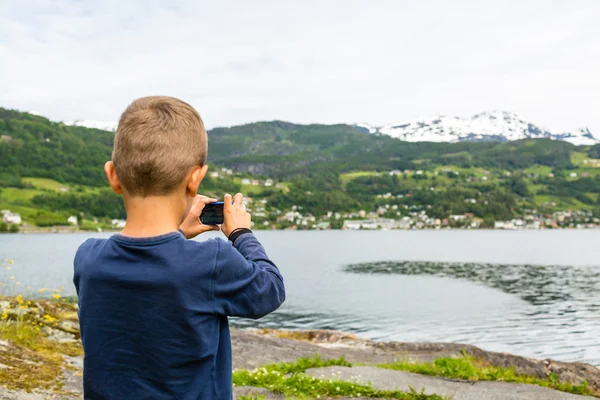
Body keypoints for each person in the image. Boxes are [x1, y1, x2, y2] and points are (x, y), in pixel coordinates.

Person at [73, 96, 285, 400]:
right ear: (195, 178)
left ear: (113, 175)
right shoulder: (211, 261)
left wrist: (178, 234)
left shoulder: (88, 258)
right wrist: (239, 232)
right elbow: (270, 290)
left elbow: (148, 268)